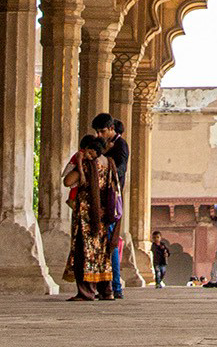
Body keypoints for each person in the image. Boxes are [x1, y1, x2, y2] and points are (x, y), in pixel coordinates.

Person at [63, 133, 117, 301]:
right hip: (103, 214)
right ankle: (106, 290)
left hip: (86, 214)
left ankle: (86, 291)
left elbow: (67, 181)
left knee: (84, 252)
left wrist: (79, 165)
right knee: (102, 252)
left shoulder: (88, 164)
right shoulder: (109, 164)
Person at [92, 114, 128, 299]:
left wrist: (105, 158)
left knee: (112, 242)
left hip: (112, 199)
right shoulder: (107, 145)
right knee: (103, 242)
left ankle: (115, 286)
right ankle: (105, 286)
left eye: (102, 131)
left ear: (111, 129)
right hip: (104, 198)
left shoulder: (120, 146)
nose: (99, 135)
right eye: (97, 132)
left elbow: (120, 170)